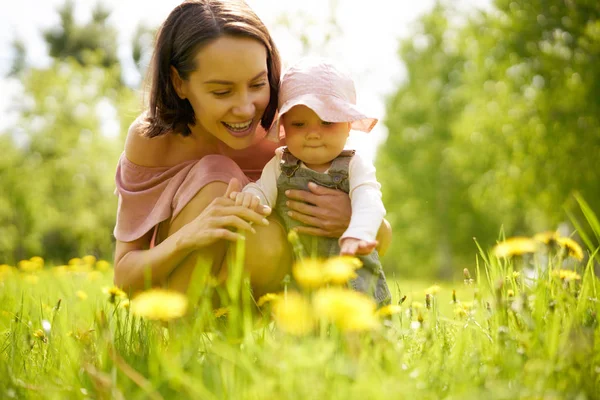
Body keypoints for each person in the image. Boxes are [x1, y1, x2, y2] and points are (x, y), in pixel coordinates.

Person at [112, 0, 392, 298]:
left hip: (272, 292)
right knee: (217, 176)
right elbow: (125, 277)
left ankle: (249, 333)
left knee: (265, 230)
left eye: (258, 84)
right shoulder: (154, 140)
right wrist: (187, 237)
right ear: (179, 83)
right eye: (222, 91)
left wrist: (352, 218)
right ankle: (183, 339)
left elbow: (381, 240)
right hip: (176, 295)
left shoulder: (292, 129)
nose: (246, 110)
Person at [230, 58, 391, 306]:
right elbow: (262, 191)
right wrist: (251, 198)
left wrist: (358, 232)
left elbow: (368, 200)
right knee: (304, 334)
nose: (313, 133)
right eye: (299, 124)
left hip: (353, 280)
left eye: (327, 122)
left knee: (359, 332)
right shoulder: (280, 164)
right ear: (284, 127)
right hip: (301, 280)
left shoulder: (355, 165)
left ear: (348, 125)